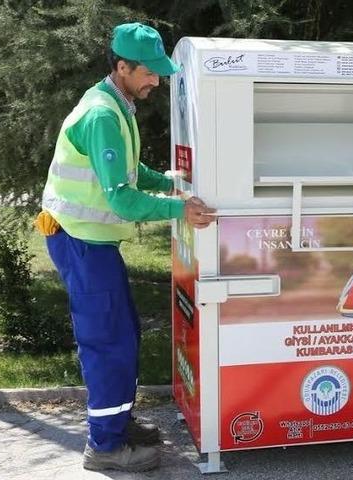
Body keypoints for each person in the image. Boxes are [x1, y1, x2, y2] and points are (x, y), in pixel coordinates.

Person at [34, 22, 214, 473]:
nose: (156, 80)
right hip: (81, 244)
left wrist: (169, 181)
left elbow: (130, 171)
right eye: (149, 72)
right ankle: (106, 448)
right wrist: (179, 210)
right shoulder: (102, 115)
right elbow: (120, 198)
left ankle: (118, 425)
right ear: (122, 66)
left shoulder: (117, 104)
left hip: (89, 243)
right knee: (108, 343)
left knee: (123, 334)